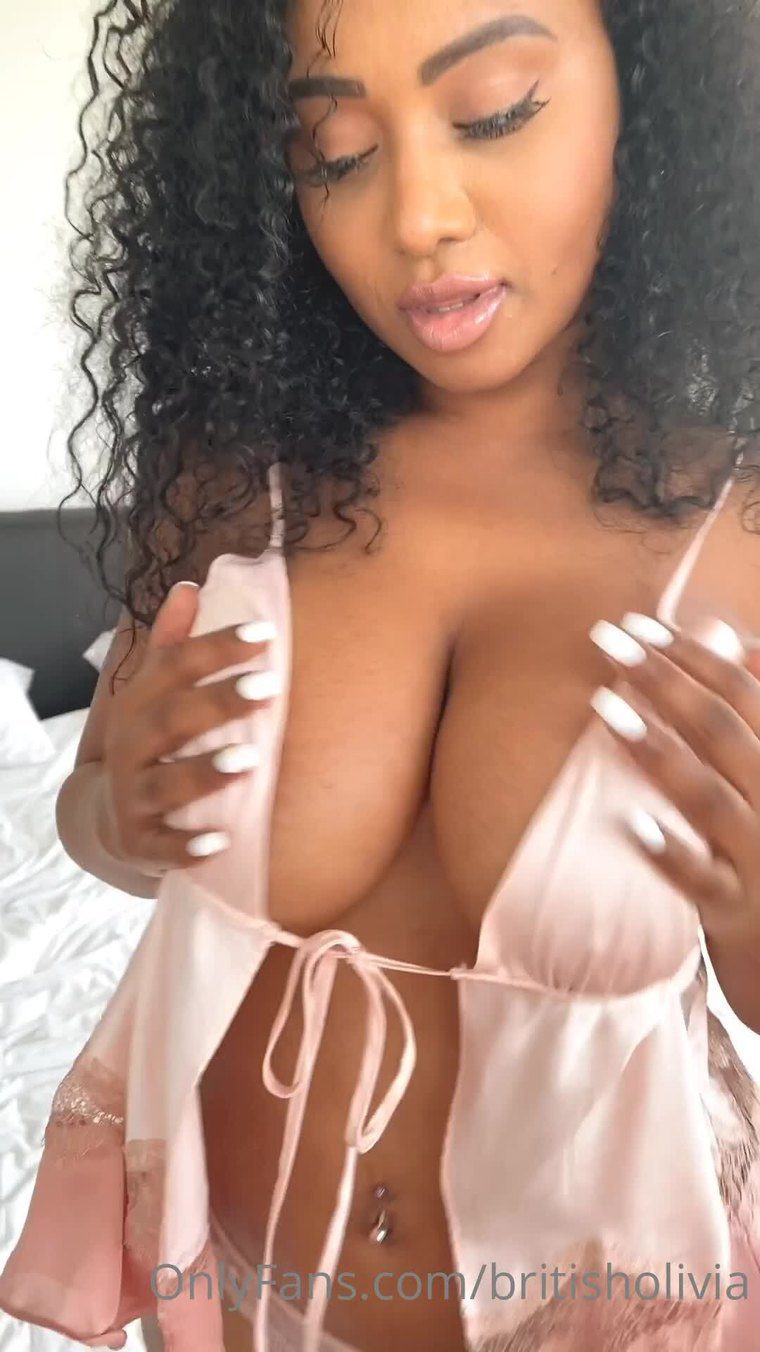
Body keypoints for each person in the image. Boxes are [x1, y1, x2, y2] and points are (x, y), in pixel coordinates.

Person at [3, 0, 760, 1349]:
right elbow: (103, 817)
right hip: (236, 1298)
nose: (418, 218)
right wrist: (113, 818)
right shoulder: (232, 483)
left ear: (650, 109)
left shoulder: (741, 544)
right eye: (336, 153)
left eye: (495, 112)